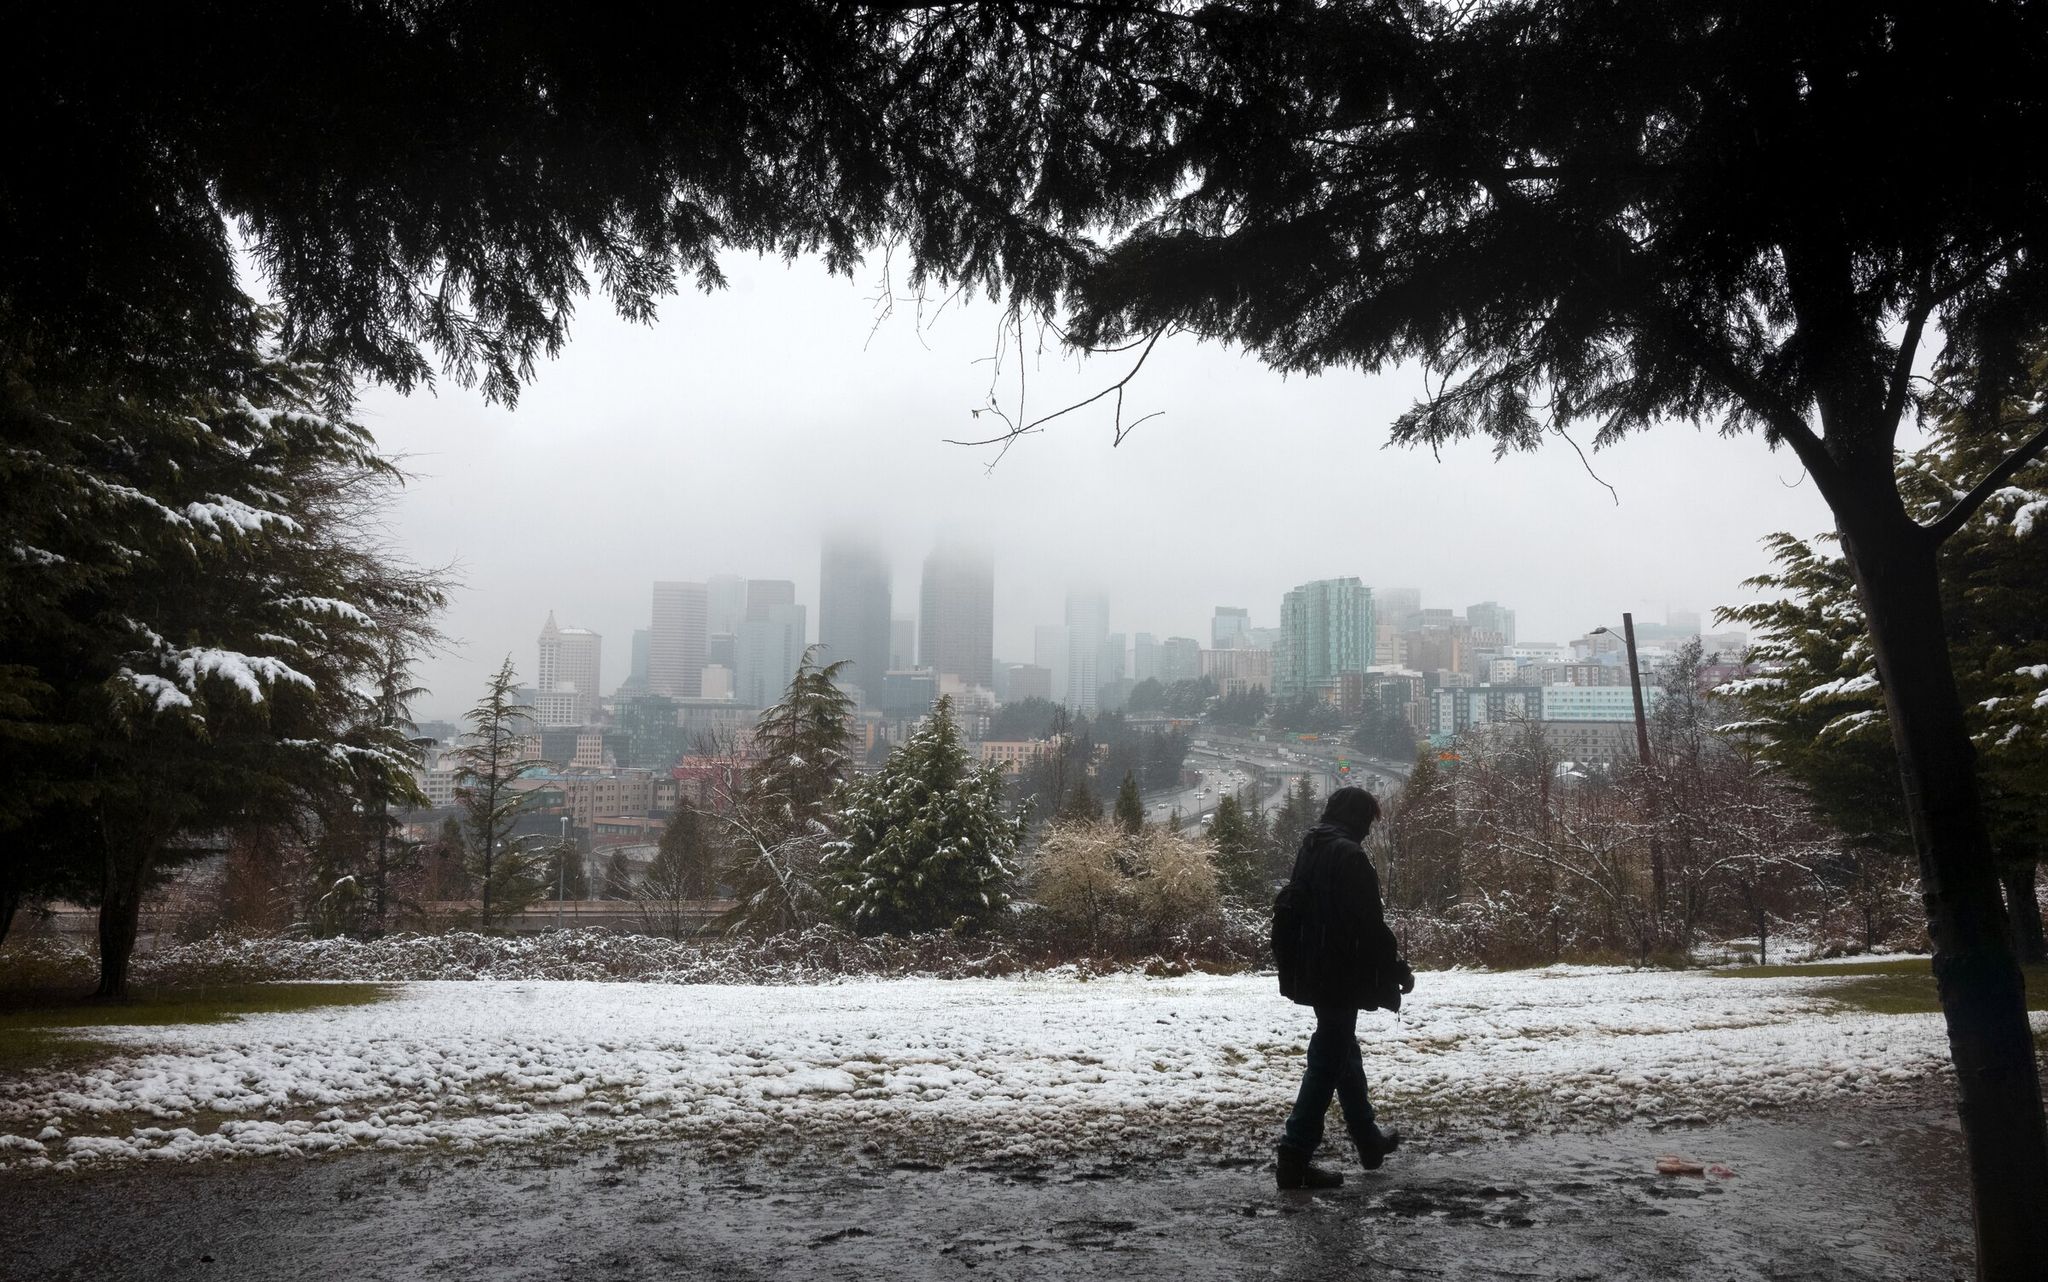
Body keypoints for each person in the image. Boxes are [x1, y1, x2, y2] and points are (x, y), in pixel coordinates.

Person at [1273, 785, 1414, 1190]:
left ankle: (1367, 1140)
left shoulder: (1313, 845)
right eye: (1369, 821)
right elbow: (1368, 926)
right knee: (1326, 1061)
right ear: (1358, 819)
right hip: (1339, 970)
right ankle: (1294, 1156)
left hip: (1314, 966)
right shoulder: (1350, 856)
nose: (1370, 830)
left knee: (1341, 1049)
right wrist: (1397, 968)